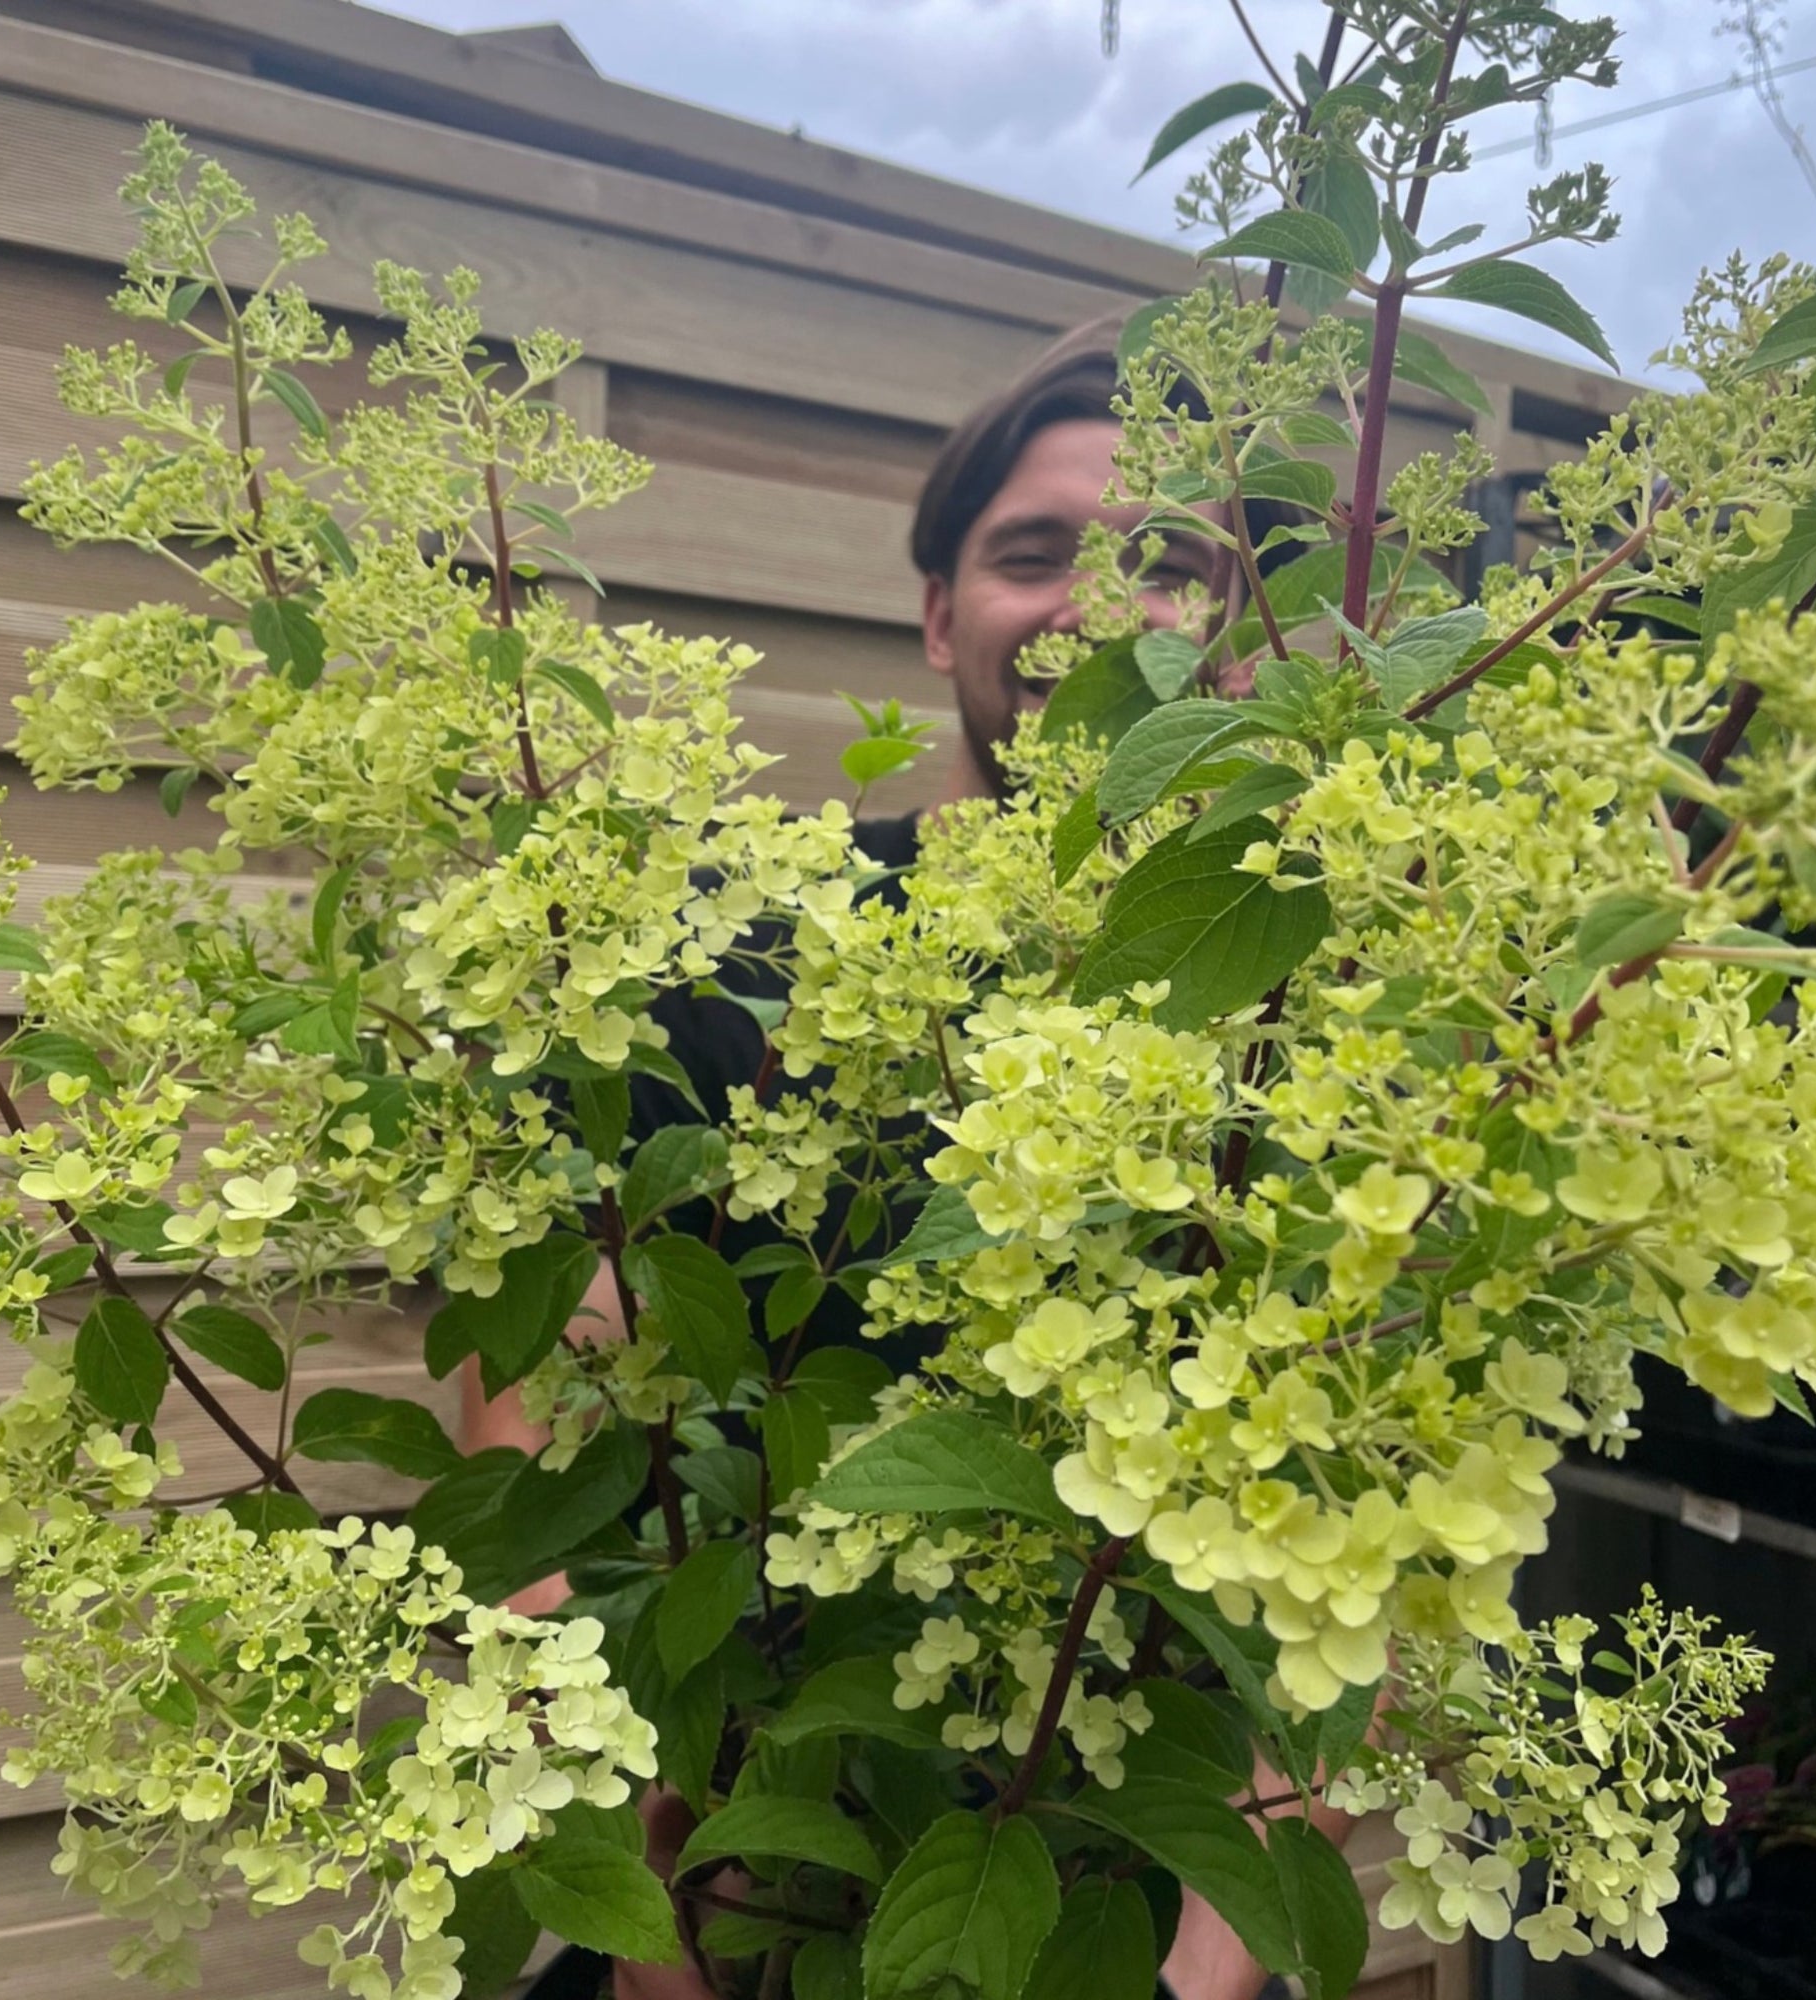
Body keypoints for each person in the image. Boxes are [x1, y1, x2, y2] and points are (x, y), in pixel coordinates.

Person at [469, 318, 1354, 2000]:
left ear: (1242, 633)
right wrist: (639, 1925)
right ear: (943, 606)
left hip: (1096, 1919)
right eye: (1037, 555)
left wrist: (1204, 1961)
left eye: (1172, 565)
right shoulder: (741, 945)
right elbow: (539, 1400)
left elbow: (1340, 1543)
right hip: (722, 1917)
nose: (1103, 605)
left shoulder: (1296, 1012)